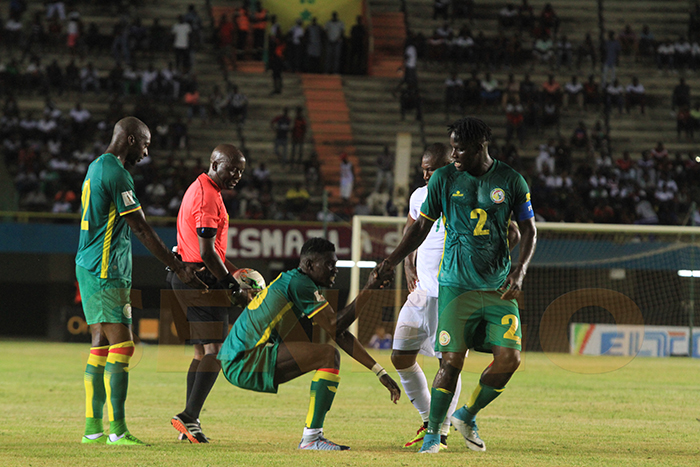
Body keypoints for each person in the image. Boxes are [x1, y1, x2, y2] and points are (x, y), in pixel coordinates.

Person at [374, 117, 537, 454]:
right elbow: (419, 228)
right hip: (455, 287)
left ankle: (467, 414)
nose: (453, 154)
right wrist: (392, 260)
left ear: (480, 147)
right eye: (451, 147)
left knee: (510, 359)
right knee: (450, 362)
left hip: (496, 287)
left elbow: (528, 230)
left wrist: (519, 272)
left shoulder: (511, 180)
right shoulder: (444, 179)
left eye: (459, 148)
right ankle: (434, 434)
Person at [76, 117, 205, 446]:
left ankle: (93, 428)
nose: (147, 152)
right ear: (131, 139)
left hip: (90, 264)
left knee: (101, 344)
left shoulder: (96, 167)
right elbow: (142, 228)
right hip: (106, 270)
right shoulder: (117, 174)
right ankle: (117, 430)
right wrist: (178, 267)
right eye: (145, 144)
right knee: (123, 345)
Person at [217, 237, 401, 450]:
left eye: (336, 264)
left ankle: (313, 437)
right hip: (243, 360)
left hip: (237, 358)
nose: (335, 270)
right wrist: (369, 287)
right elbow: (336, 326)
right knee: (328, 355)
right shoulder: (300, 283)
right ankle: (312, 437)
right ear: (309, 265)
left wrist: (379, 371)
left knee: (326, 354)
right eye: (329, 264)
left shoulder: (295, 281)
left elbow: (339, 333)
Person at [169, 144, 247, 443]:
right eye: (232, 169)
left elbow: (211, 251)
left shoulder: (202, 188)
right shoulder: (207, 196)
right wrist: (229, 284)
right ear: (215, 163)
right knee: (216, 352)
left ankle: (192, 420)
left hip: (191, 279)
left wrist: (234, 272)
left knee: (202, 352)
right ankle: (188, 416)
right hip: (200, 282)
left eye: (240, 171)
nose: (237, 176)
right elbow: (205, 252)